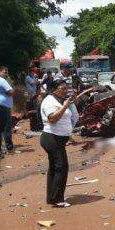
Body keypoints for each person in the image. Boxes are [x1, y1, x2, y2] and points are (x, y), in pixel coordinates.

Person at [40, 79, 79, 207]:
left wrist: (69, 104)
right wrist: (64, 107)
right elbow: (52, 118)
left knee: (55, 168)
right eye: (62, 88)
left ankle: (52, 197)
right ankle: (57, 199)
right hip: (52, 138)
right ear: (53, 89)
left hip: (58, 138)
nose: (64, 90)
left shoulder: (58, 100)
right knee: (61, 167)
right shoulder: (50, 101)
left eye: (65, 88)